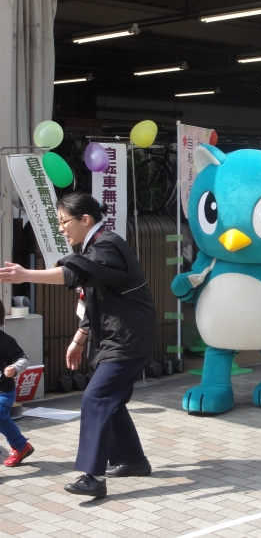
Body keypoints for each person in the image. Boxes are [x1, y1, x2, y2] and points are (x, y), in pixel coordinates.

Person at [0, 192, 155, 498]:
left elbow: (74, 273)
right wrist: (78, 340)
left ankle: (93, 477)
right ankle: (131, 459)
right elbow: (94, 299)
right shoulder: (98, 247)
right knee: (111, 401)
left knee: (96, 399)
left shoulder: (107, 245)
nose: (61, 228)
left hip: (126, 339)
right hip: (119, 337)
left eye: (64, 221)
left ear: (86, 220)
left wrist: (25, 274)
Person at [0, 302, 33, 467]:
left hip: (3, 392)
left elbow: (24, 359)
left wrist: (14, 368)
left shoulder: (5, 341)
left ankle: (20, 446)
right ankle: (21, 446)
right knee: (2, 420)